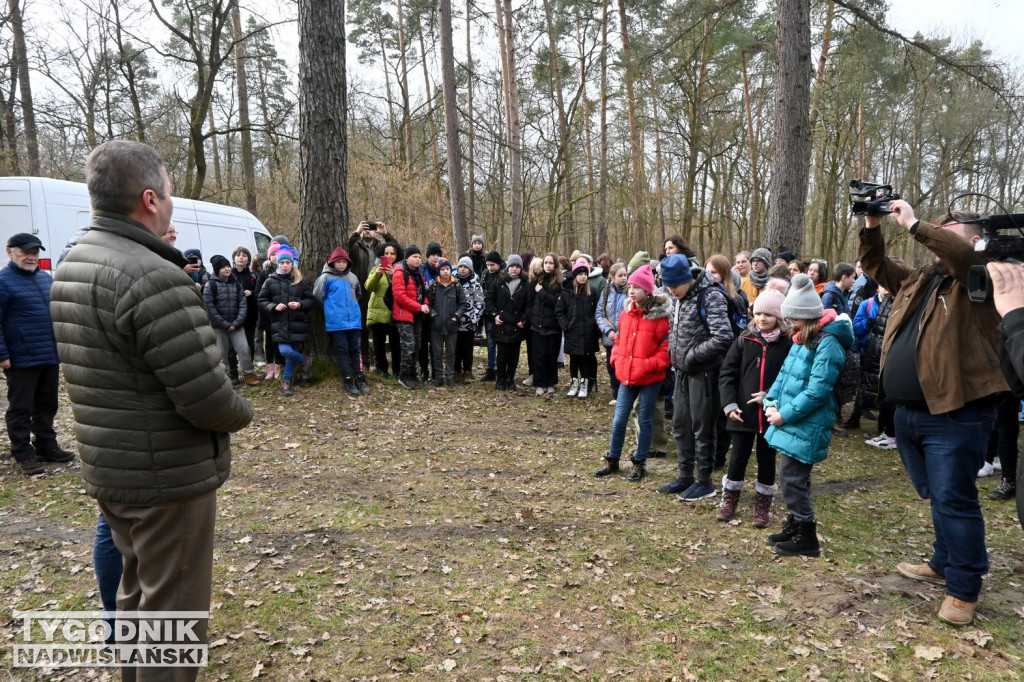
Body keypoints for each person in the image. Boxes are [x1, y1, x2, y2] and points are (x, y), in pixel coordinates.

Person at [50, 140, 254, 680]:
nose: (171, 202)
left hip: (113, 466)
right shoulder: (153, 276)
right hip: (164, 474)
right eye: (168, 191)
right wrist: (242, 410)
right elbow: (207, 398)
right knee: (173, 615)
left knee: (140, 598)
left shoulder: (75, 262)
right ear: (148, 199)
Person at [861, 200, 1007, 626]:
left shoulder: (982, 276)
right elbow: (875, 266)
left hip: (955, 414)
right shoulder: (924, 278)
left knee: (955, 499)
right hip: (912, 412)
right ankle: (943, 561)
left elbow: (961, 255)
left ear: (975, 239)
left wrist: (915, 224)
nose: (939, 234)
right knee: (938, 495)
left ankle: (964, 589)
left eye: (949, 229)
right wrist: (872, 226)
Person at [760, 274, 854, 557]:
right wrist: (771, 401)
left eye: (794, 320)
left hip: (807, 422)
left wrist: (784, 415)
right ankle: (794, 524)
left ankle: (807, 535)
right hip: (793, 419)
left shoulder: (828, 343)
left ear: (806, 317)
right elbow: (784, 376)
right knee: (792, 477)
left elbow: (817, 391)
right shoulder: (803, 338)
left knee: (792, 478)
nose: (789, 325)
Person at [658, 254, 734, 501]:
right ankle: (685, 476)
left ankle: (705, 480)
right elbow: (675, 327)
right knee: (681, 425)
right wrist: (673, 351)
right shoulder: (676, 297)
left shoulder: (710, 295)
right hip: (680, 371)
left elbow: (723, 337)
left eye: (675, 286)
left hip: (705, 372)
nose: (672, 291)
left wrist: (692, 357)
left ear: (686, 279)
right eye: (668, 287)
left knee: (703, 427)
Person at [717, 285, 792, 526]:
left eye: (768, 314)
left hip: (771, 415)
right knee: (737, 456)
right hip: (742, 413)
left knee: (767, 459)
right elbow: (727, 374)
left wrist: (768, 396)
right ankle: (729, 499)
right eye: (758, 313)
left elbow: (790, 380)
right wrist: (729, 405)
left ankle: (763, 505)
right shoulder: (744, 340)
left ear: (779, 318)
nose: (762, 318)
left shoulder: (788, 344)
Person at [1, 233, 74, 475]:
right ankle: (22, 453)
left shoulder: (45, 279)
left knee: (47, 404)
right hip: (21, 357)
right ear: (10, 252)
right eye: (26, 252)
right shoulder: (3, 281)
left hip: (48, 354)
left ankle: (46, 445)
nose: (31, 257)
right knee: (21, 408)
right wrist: (2, 354)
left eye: (35, 252)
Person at [594, 265, 671, 482]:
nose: (631, 290)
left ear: (648, 291)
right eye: (630, 286)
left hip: (649, 378)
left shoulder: (659, 318)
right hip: (627, 376)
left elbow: (666, 351)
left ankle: (639, 463)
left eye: (637, 287)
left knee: (645, 419)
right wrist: (616, 359)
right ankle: (613, 459)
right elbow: (618, 340)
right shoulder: (625, 315)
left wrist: (647, 365)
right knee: (619, 420)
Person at [258, 245, 315, 397]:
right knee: (285, 351)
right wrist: (273, 306)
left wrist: (300, 304)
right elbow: (261, 300)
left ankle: (286, 382)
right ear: (277, 264)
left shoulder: (300, 281)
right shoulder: (270, 281)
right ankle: (305, 360)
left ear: (292, 264)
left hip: (297, 324)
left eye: (287, 263)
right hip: (279, 324)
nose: (285, 266)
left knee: (291, 355)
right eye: (282, 263)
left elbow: (311, 300)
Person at [314, 247, 368, 397]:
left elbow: (358, 294)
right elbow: (318, 296)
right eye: (338, 262)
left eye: (344, 262)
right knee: (342, 351)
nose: (342, 265)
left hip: (354, 321)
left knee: (356, 351)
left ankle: (360, 377)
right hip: (337, 322)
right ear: (333, 263)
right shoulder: (325, 278)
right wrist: (331, 310)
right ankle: (348, 379)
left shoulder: (353, 278)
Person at [347, 220, 401, 368]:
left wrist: (386, 234)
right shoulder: (355, 246)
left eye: (371, 229)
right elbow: (343, 251)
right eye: (365, 228)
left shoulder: (381, 247)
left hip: (380, 290)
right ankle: (364, 361)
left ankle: (381, 364)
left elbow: (398, 251)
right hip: (360, 291)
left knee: (383, 328)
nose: (367, 231)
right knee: (362, 327)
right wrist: (356, 233)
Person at [203, 254, 260, 387]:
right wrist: (224, 324)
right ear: (217, 270)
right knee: (222, 353)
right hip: (219, 326)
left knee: (244, 348)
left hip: (236, 324)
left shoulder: (237, 284)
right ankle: (226, 377)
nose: (227, 269)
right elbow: (209, 307)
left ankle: (249, 374)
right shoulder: (210, 285)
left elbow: (242, 304)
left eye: (228, 266)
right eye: (223, 267)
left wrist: (236, 323)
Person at [556, 258, 601, 399]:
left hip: (588, 332)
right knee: (574, 357)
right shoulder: (566, 292)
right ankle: (574, 381)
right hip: (573, 331)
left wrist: (594, 326)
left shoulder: (592, 292)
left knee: (586, 358)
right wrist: (566, 326)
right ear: (575, 276)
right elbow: (559, 311)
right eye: (580, 274)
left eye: (585, 274)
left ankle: (585, 382)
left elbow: (597, 311)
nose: (583, 276)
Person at [484, 254, 529, 391]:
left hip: (517, 325)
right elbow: (489, 300)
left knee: (514, 354)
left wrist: (524, 319)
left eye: (517, 267)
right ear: (508, 267)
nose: (514, 269)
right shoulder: (499, 282)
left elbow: (529, 305)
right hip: (502, 323)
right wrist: (495, 315)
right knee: (502, 354)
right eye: (512, 266)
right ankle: (500, 378)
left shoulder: (525, 284)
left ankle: (510, 378)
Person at [392, 245, 429, 390]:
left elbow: (423, 293)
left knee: (417, 346)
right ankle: (404, 375)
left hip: (417, 316)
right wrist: (419, 307)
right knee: (408, 346)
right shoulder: (400, 272)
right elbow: (399, 296)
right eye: (414, 257)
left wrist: (425, 304)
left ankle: (413, 375)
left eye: (419, 257)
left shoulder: (420, 273)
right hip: (403, 315)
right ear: (407, 258)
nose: (418, 259)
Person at [426, 258, 468, 387]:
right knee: (436, 353)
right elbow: (428, 304)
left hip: (451, 326)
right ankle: (438, 377)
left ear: (451, 270)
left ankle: (449, 377)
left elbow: (463, 304)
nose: (445, 271)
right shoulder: (433, 287)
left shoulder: (456, 286)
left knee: (451, 353)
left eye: (447, 269)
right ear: (439, 271)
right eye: (443, 269)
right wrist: (433, 315)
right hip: (436, 326)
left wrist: (457, 316)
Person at [527, 253, 563, 396]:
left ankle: (550, 382)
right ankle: (540, 383)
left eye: (551, 263)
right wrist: (532, 319)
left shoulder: (559, 283)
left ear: (555, 265)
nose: (548, 265)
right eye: (546, 263)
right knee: (539, 356)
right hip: (537, 326)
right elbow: (528, 302)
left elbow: (556, 302)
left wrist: (541, 292)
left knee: (551, 356)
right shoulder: (536, 281)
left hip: (553, 326)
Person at [365, 242, 402, 377]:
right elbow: (368, 287)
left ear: (397, 256)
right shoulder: (375, 269)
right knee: (378, 345)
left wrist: (393, 276)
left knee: (395, 344)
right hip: (377, 312)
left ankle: (397, 371)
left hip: (394, 313)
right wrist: (378, 275)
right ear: (381, 255)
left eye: (392, 253)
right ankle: (383, 370)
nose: (389, 256)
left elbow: (403, 289)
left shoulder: (400, 270)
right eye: (386, 253)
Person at [596, 262, 629, 405]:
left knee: (624, 365)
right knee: (612, 365)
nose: (623, 278)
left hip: (626, 337)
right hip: (610, 337)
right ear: (612, 276)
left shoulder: (630, 291)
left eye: (625, 275)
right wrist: (608, 331)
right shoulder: (606, 292)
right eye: (620, 275)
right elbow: (599, 314)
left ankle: (624, 393)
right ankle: (615, 393)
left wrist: (623, 332)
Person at [230, 246, 260, 380]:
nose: (241, 257)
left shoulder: (253, 275)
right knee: (231, 347)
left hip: (250, 314)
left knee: (249, 345)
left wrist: (251, 293)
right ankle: (233, 372)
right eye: (238, 255)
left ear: (248, 259)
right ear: (234, 258)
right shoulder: (229, 274)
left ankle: (248, 371)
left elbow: (260, 292)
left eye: (244, 255)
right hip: (233, 315)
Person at [454, 256, 484, 382]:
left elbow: (480, 302)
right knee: (456, 348)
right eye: (460, 266)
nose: (462, 269)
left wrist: (474, 318)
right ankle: (456, 371)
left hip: (469, 323)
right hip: (455, 322)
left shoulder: (475, 282)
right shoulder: (453, 282)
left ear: (470, 269)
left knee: (467, 348)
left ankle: (467, 371)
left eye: (465, 267)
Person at [481, 250, 504, 381]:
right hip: (488, 313)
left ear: (499, 264)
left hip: (500, 314)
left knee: (501, 343)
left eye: (492, 265)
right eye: (488, 265)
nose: (490, 268)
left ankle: (501, 369)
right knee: (490, 344)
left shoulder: (503, 275)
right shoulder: (485, 274)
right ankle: (491, 369)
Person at [739, 247, 772, 312]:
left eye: (759, 261)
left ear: (766, 263)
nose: (755, 264)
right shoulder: (744, 281)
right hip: (746, 319)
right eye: (753, 261)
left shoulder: (773, 282)